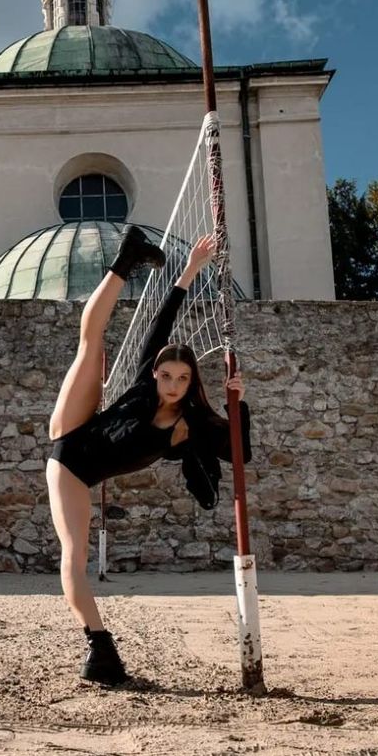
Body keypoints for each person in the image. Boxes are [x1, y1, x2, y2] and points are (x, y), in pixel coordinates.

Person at [46, 225, 253, 687]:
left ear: (191, 382)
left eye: (182, 378)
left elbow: (243, 453)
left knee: (75, 558)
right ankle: (128, 256)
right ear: (156, 373)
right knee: (90, 340)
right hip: (69, 451)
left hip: (83, 471)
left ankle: (98, 652)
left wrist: (237, 404)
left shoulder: (191, 427)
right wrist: (189, 271)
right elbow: (161, 322)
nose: (172, 384)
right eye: (166, 375)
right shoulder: (144, 387)